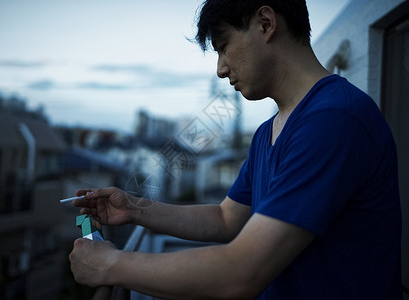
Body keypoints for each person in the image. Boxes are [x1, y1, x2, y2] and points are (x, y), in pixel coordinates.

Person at [69, 0, 402, 299]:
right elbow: (226, 218)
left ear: (265, 24)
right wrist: (134, 208)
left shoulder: (334, 120)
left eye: (223, 46)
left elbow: (242, 272)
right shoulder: (267, 133)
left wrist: (112, 264)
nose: (220, 68)